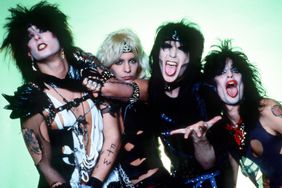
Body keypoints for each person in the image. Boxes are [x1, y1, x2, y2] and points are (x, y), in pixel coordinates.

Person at [1, 1, 121, 187]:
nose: (38, 37)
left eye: (42, 30)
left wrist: (95, 183)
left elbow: (113, 135)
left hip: (108, 180)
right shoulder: (33, 99)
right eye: (30, 37)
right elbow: (44, 165)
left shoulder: (90, 73)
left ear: (58, 33)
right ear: (28, 53)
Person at [147, 19, 232, 187]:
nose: (172, 54)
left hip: (213, 182)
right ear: (158, 52)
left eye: (181, 49)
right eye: (167, 46)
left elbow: (208, 164)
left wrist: (199, 139)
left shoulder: (204, 92)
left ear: (191, 57)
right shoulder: (152, 91)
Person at [96, 28, 171, 187]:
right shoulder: (96, 103)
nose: (127, 69)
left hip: (156, 182)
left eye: (132, 60)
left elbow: (116, 88)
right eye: (118, 62)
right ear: (108, 65)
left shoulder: (148, 88)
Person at [202, 39, 282, 187]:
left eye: (236, 70)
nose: (230, 75)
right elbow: (230, 181)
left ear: (243, 80)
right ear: (212, 85)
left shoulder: (266, 110)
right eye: (222, 72)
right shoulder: (226, 132)